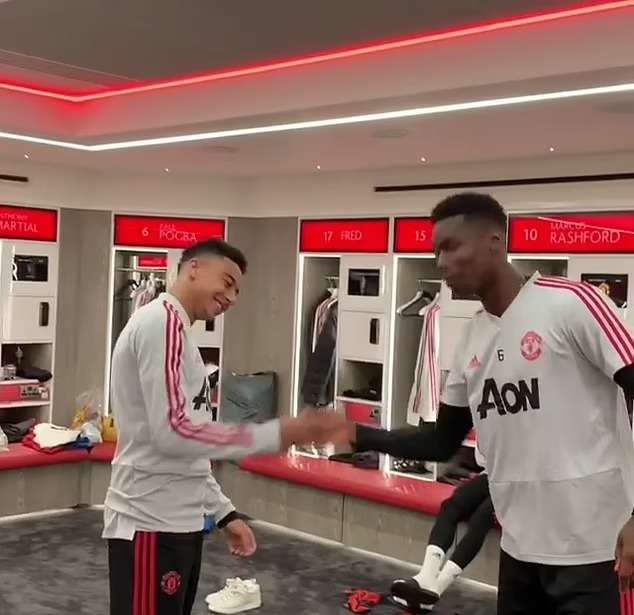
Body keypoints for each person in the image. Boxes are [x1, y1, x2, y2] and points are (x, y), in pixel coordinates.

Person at [348, 193, 634, 615]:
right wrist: (354, 434)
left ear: (494, 241)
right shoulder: (470, 340)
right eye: (435, 251)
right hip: (519, 549)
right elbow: (441, 442)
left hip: (594, 549)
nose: (440, 262)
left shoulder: (571, 303)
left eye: (450, 247)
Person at [105, 238, 346, 615]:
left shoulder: (180, 332)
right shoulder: (161, 322)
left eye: (238, 290)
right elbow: (175, 433)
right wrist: (280, 433)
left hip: (174, 522)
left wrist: (222, 512)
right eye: (228, 281)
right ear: (194, 268)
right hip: (150, 524)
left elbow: (189, 441)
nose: (232, 297)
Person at [391, 446, 494, 610]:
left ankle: (437, 587)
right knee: (451, 506)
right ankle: (426, 576)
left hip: (523, 482)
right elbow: (481, 457)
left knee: (481, 517)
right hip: (493, 473)